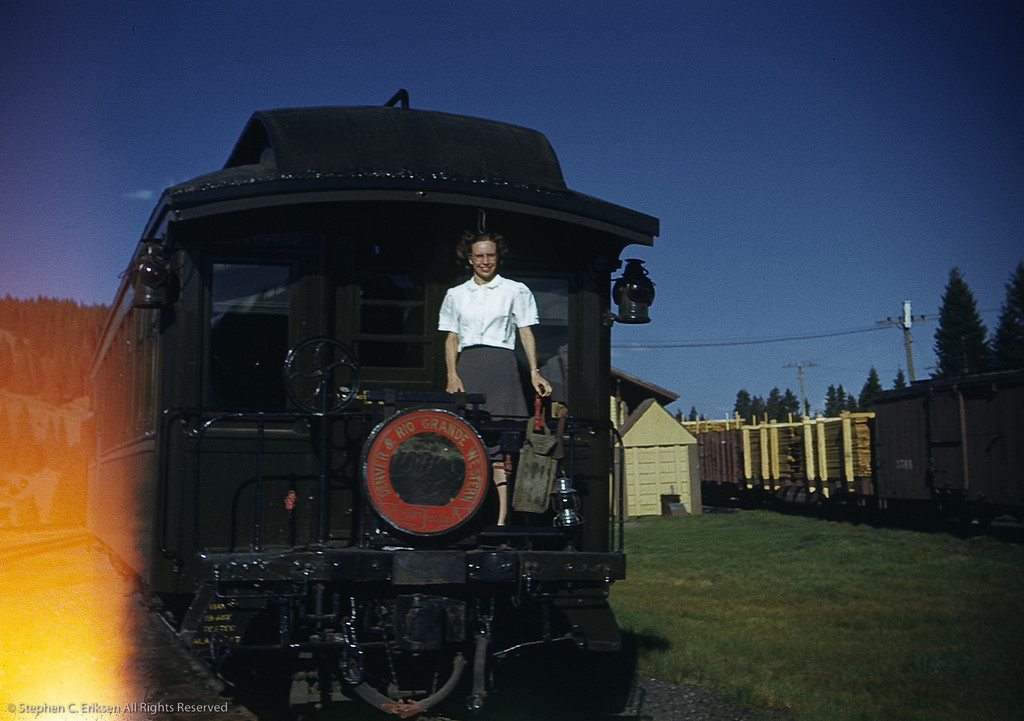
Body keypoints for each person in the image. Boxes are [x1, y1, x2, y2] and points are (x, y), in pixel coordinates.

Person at [438, 231, 551, 524]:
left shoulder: (515, 290)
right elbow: (451, 338)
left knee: (501, 449)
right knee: (467, 443)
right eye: (479, 256)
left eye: (490, 255)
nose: (485, 261)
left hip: (502, 369)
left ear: (498, 258)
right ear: (470, 259)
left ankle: (501, 522)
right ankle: (466, 518)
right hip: (469, 368)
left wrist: (534, 372)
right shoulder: (455, 295)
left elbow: (525, 332)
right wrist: (452, 374)